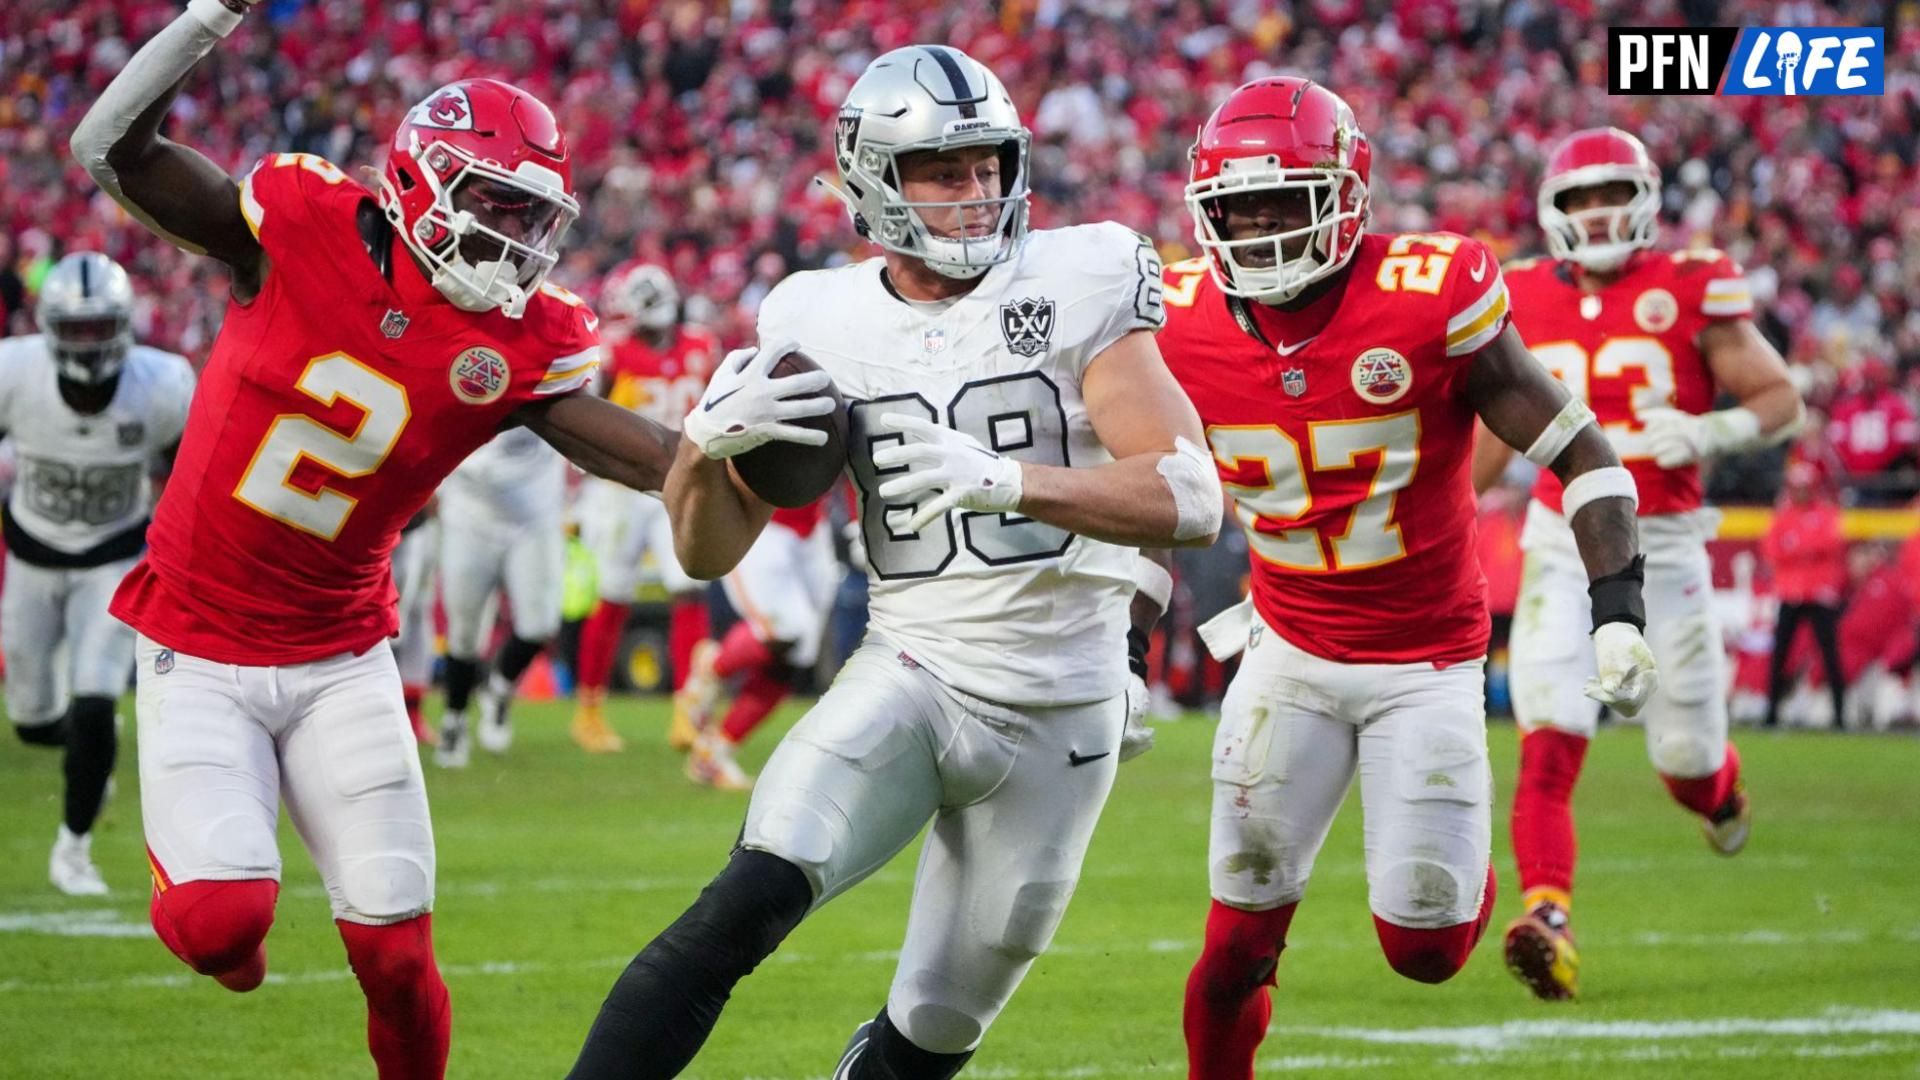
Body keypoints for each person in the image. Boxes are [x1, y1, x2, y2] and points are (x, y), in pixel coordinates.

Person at [67, 3, 701, 1072]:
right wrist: (206, 20)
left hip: (342, 659)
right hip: (200, 642)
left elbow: (644, 454)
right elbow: (107, 149)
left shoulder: (519, 339)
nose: (515, 236)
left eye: (532, 213)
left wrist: (743, 449)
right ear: (421, 180)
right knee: (220, 924)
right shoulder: (296, 227)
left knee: (398, 955)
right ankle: (218, 931)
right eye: (495, 201)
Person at [566, 44, 1216, 1079]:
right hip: (911, 672)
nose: (977, 193)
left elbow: (1191, 496)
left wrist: (1010, 481)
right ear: (875, 175)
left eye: (989, 166)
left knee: (936, 1028)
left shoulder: (1083, 272)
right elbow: (704, 551)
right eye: (945, 171)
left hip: (1066, 710)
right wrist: (702, 447)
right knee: (739, 907)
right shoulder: (813, 316)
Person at [1158, 80, 1656, 1078]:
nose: (1258, 230)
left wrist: (1619, 608)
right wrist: (1157, 628)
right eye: (1237, 208)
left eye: (1282, 201)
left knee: (1423, 952)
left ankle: (1463, 880)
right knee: (1235, 943)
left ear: (1346, 196)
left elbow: (1583, 452)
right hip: (1287, 651)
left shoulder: (1435, 294)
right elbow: (1138, 486)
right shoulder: (1169, 318)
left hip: (1424, 658)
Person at [1475, 127, 1803, 1000]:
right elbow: (1485, 438)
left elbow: (1780, 396)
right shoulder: (1521, 296)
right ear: (1553, 212)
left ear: (1647, 198)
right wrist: (1440, 504)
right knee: (1548, 733)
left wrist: (1710, 429)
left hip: (1666, 544)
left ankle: (1723, 796)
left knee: (1689, 762)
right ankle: (1548, 915)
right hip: (1560, 539)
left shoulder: (1690, 284)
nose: (1598, 211)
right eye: (1580, 198)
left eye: (1612, 193)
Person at [0, 251, 194, 895]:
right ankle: (91, 756)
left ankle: (73, 848)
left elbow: (191, 474)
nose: (87, 342)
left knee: (94, 701)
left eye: (97, 327)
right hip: (31, 558)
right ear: (51, 327)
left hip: (114, 560)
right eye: (75, 329)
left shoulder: (161, 385)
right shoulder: (14, 371)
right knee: (33, 722)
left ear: (122, 325)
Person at [571, 262, 718, 753]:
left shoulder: (699, 345)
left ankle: (687, 708)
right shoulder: (616, 350)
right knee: (614, 593)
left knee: (689, 590)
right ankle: (589, 710)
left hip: (680, 481)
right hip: (624, 487)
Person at [676, 493, 844, 790]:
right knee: (786, 631)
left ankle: (712, 754)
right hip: (761, 523)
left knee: (799, 654)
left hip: (812, 529)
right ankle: (713, 665)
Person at [431, 426, 570, 765]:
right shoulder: (458, 378)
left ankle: (500, 688)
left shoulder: (549, 375)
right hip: (468, 515)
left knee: (540, 625)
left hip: (533, 518)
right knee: (463, 632)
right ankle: (455, 718)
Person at [1762, 462, 1847, 727]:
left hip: (1819, 593)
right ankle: (1772, 713)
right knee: (1780, 655)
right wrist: (1805, 549)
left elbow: (1830, 544)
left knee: (1830, 654)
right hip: (1791, 592)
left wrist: (1797, 547)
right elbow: (1772, 551)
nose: (1800, 493)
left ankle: (1839, 715)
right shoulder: (1783, 516)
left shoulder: (1825, 513)